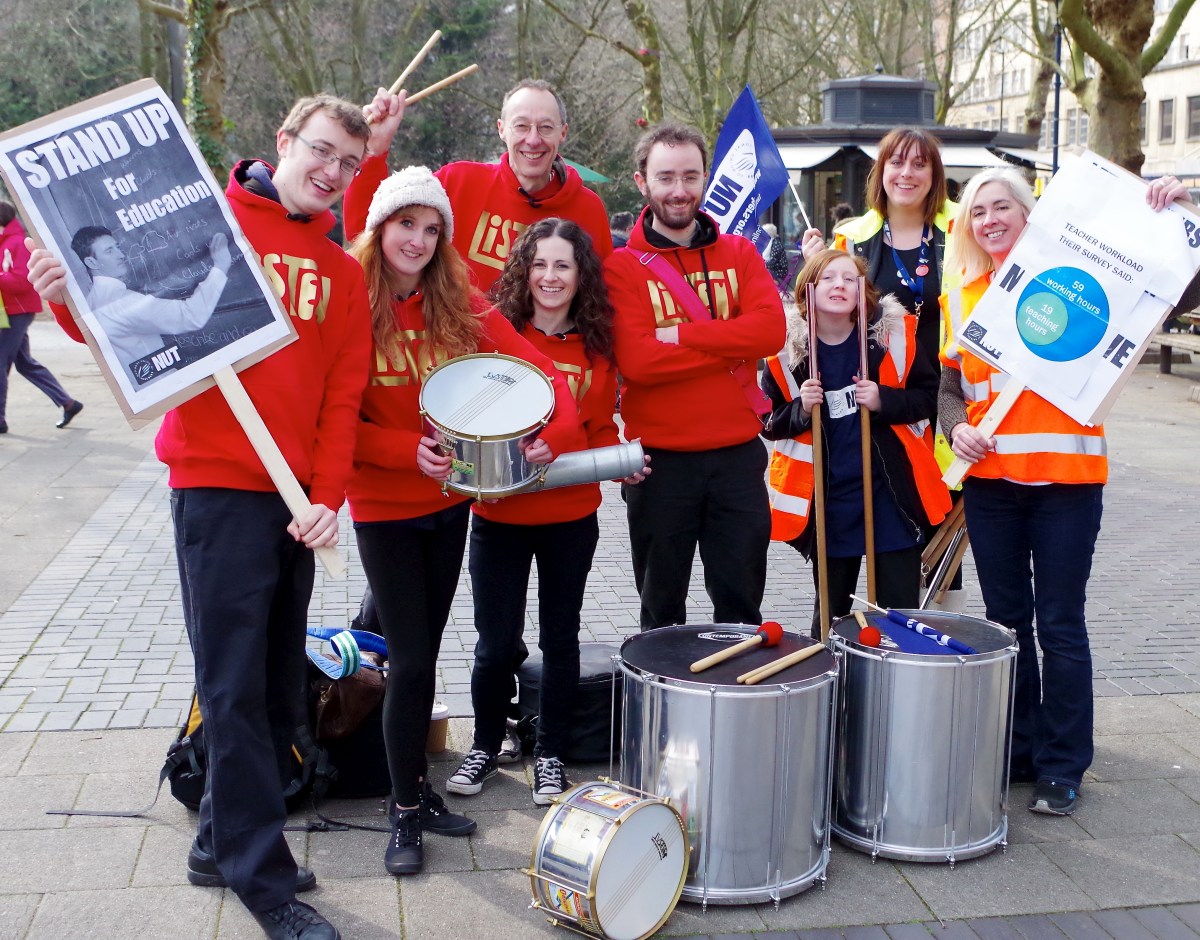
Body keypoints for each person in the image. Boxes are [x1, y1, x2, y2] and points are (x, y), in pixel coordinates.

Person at [29, 94, 375, 940]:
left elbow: (342, 395)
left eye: (348, 165)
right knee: (232, 692)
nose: (330, 172)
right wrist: (66, 302)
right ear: (283, 141)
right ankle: (263, 883)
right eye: (320, 151)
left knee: (268, 689)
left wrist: (327, 498)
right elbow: (135, 332)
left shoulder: (343, 272)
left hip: (294, 506)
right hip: (217, 491)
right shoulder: (205, 220)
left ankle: (220, 840)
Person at [345, 167, 581, 874]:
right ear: (380, 229)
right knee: (411, 662)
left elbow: (548, 379)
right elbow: (326, 414)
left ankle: (415, 787)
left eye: (430, 227)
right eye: (403, 224)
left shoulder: (463, 305)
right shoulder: (350, 305)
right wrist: (397, 449)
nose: (416, 239)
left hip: (449, 508)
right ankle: (405, 811)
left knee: (423, 659)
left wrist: (551, 439)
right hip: (383, 509)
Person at [938, 166, 1189, 816]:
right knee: (1007, 624)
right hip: (992, 487)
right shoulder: (963, 294)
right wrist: (957, 428)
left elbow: (1174, 295)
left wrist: (1180, 218)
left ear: (1030, 213)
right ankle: (1018, 752)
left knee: (1060, 624)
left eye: (1003, 208)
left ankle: (1062, 764)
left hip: (1067, 485)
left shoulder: (1088, 279)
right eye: (978, 212)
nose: (989, 220)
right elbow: (947, 388)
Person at [447, 217, 648, 806]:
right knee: (493, 641)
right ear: (523, 272)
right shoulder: (495, 335)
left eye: (563, 265)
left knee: (560, 640)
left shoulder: (595, 346)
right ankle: (485, 743)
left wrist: (613, 458)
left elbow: (596, 427)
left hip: (569, 517)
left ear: (580, 273)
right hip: (499, 519)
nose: (551, 276)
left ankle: (552, 755)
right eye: (539, 264)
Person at [604, 121, 785, 631]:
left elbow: (770, 332)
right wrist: (732, 338)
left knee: (742, 609)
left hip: (737, 460)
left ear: (705, 177)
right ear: (642, 182)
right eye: (665, 177)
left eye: (689, 176)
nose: (679, 190)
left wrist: (679, 338)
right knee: (661, 615)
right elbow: (638, 363)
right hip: (661, 465)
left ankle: (738, 706)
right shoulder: (622, 268)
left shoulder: (740, 253)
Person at [761, 249, 949, 636]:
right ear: (807, 290)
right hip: (829, 502)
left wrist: (884, 401)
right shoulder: (786, 353)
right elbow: (767, 420)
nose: (840, 285)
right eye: (828, 278)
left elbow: (929, 397)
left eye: (850, 278)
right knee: (830, 618)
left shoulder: (895, 338)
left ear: (865, 291)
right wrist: (800, 409)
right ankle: (833, 686)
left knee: (899, 617)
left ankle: (895, 685)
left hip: (892, 498)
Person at [347, 79, 613, 292]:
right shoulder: (457, 182)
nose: (533, 140)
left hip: (538, 358)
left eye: (545, 127)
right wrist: (374, 149)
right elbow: (363, 233)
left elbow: (600, 301)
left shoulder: (587, 209)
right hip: (453, 350)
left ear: (562, 133)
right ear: (501, 129)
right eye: (521, 126)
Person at [801, 127, 955, 369]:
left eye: (919, 164)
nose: (906, 173)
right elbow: (818, 320)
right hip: (876, 393)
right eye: (896, 162)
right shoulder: (850, 240)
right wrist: (815, 268)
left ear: (934, 174)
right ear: (882, 171)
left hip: (953, 392)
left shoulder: (965, 229)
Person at [70, 225, 231, 381]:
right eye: (109, 251)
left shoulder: (90, 302)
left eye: (117, 247)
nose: (120, 255)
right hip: (163, 386)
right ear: (92, 263)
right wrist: (221, 266)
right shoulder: (121, 300)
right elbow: (190, 316)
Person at [0, 201, 82, 432]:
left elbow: (20, 281)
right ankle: (68, 403)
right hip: (10, 312)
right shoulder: (7, 242)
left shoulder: (15, 242)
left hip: (17, 311)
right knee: (25, 363)